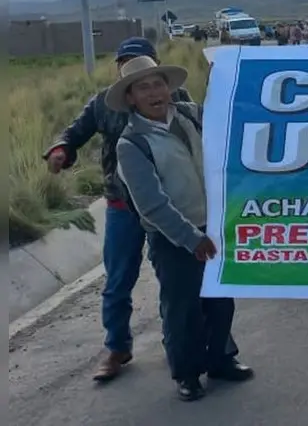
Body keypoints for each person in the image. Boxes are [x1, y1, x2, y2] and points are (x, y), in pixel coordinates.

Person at [43, 37, 193, 382]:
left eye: (141, 62)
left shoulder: (179, 100)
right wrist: (61, 150)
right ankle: (117, 347)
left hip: (169, 205)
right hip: (122, 205)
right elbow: (74, 132)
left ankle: (180, 349)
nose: (133, 68)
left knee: (175, 280)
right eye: (126, 61)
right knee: (118, 279)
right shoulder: (102, 104)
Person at [108, 56, 253, 401]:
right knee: (182, 308)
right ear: (131, 98)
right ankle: (187, 373)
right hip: (173, 238)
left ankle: (220, 359)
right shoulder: (131, 145)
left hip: (213, 226)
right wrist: (191, 239)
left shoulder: (191, 114)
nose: (154, 92)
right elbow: (152, 204)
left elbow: (236, 123)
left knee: (220, 302)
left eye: (158, 83)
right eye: (143, 87)